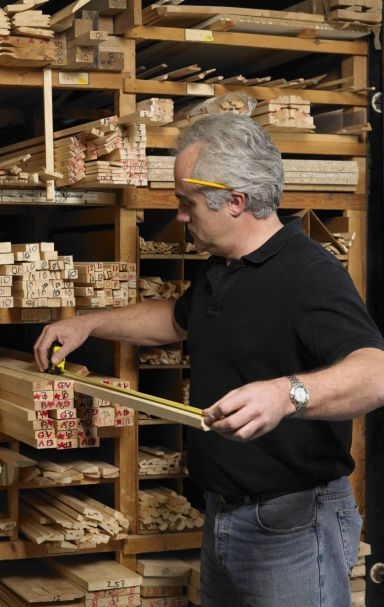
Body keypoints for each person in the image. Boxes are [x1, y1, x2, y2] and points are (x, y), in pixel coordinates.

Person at [34, 113, 384, 607]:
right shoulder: (224, 268)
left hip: (291, 523)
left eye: (187, 203)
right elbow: (177, 321)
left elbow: (376, 372)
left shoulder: (310, 275)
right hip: (224, 513)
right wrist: (88, 323)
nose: (180, 216)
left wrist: (288, 394)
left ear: (236, 202)